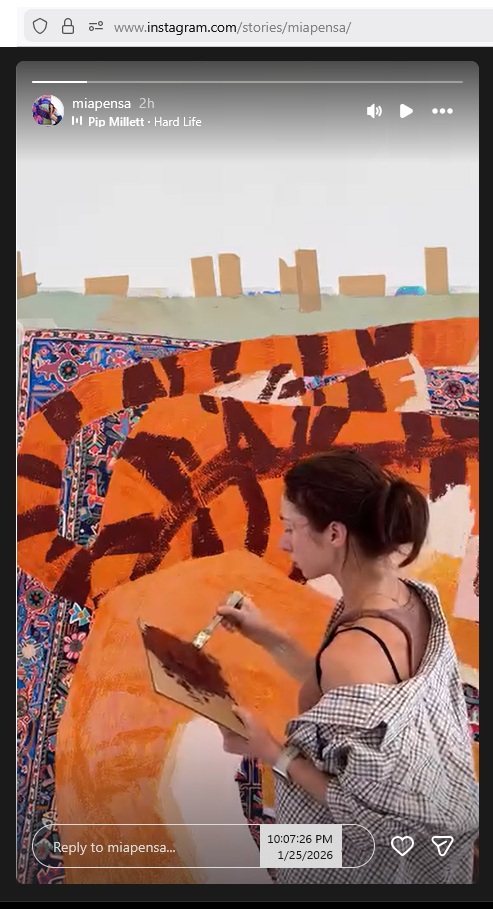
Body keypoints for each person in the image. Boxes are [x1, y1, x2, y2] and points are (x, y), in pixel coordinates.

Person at [216, 448, 479, 884]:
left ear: (335, 533)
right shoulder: (410, 599)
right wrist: (267, 635)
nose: (283, 543)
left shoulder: (353, 653)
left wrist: (269, 749)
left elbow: (366, 817)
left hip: (369, 862)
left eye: (290, 527)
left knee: (235, 854)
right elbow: (343, 690)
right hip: (435, 841)